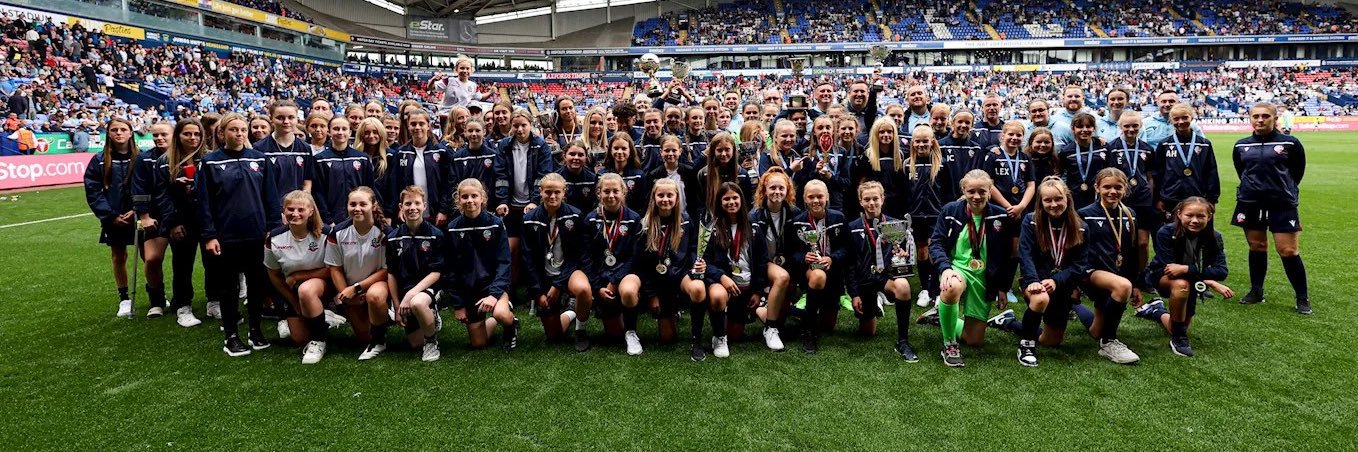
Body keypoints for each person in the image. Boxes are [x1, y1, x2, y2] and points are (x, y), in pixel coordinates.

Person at [196, 113, 281, 356]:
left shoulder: (260, 159)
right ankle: (231, 336)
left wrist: (272, 230)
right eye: (234, 130)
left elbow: (271, 198)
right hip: (226, 237)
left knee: (257, 285)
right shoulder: (210, 162)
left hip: (256, 235)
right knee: (229, 288)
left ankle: (255, 331)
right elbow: (203, 203)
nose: (240, 134)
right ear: (222, 133)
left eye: (243, 129)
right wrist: (209, 235)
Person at [928, 170, 1012, 367]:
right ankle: (949, 345)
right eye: (971, 191)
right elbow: (937, 243)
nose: (976, 196)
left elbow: (1007, 256)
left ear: (990, 191)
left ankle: (940, 315)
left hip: (984, 277)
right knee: (952, 286)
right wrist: (945, 268)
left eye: (982, 191)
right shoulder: (951, 211)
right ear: (963, 191)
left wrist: (1002, 287)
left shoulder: (1000, 216)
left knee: (974, 340)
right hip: (958, 269)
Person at [1232, 103, 1310, 314]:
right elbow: (1242, 171)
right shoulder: (1241, 145)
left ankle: (1302, 298)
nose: (1260, 120)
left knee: (1288, 250)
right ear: (1250, 119)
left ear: (1275, 119)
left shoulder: (1291, 143)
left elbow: (1297, 172)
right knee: (1257, 246)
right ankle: (1256, 291)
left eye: (1265, 116)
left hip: (1282, 203)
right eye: (1255, 116)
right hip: (1250, 202)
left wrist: (1283, 189)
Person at [1003, 177, 1089, 367]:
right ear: (1040, 202)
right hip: (1034, 280)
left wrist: (1057, 280)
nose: (1053, 204)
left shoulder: (1081, 226)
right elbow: (1025, 254)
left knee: (1052, 341)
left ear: (1068, 198)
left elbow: (1080, 264)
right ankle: (1026, 345)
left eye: (1058, 199)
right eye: (1047, 200)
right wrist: (1033, 279)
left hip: (1061, 283)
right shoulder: (1031, 221)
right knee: (1040, 298)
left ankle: (1008, 322)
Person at [1136, 197, 1232, 357]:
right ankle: (1179, 339)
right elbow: (1170, 269)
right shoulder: (1166, 232)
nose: (1195, 220)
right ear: (1179, 214)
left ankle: (1156, 310)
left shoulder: (1215, 237)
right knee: (1181, 284)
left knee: (1177, 325)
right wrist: (1209, 280)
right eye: (1190, 215)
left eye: (1201, 216)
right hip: (1162, 277)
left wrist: (1187, 268)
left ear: (1209, 216)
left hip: (1192, 279)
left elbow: (1222, 271)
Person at [631, 178, 707, 361]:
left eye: (669, 195)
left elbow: (692, 250)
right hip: (657, 281)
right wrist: (650, 295)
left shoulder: (686, 220)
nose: (665, 199)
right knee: (667, 339)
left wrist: (695, 267)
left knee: (698, 289)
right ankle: (670, 311)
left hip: (680, 276)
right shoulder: (645, 224)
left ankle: (696, 340)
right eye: (661, 195)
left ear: (677, 198)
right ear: (654, 198)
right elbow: (641, 264)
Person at [1076, 167, 1143, 364]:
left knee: (1096, 331)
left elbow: (1131, 251)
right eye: (1107, 187)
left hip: (1117, 273)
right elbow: (1078, 250)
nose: (1112, 192)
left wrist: (1137, 282)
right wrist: (1074, 283)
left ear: (1125, 189)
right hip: (1092, 272)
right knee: (1122, 286)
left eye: (1118, 187)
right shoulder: (1085, 214)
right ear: (1096, 187)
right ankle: (1109, 343)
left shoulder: (1130, 214)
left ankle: (1077, 307)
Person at [522, 173, 595, 351]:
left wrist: (557, 284)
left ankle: (580, 330)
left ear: (564, 192)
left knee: (584, 289)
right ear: (540, 192)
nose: (552, 196)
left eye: (557, 192)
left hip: (568, 272)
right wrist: (538, 292)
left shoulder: (575, 216)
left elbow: (577, 255)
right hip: (544, 275)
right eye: (548, 192)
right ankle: (571, 313)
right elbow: (528, 259)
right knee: (554, 336)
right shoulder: (529, 219)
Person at [444, 179, 520, 350]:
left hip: (494, 286)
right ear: (459, 200)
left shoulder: (496, 223)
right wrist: (458, 304)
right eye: (465, 197)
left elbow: (504, 262)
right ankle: (491, 319)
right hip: (470, 291)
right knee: (479, 343)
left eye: (474, 196)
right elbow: (451, 269)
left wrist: (494, 294)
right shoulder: (452, 228)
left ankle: (510, 324)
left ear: (482, 198)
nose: (469, 200)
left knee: (501, 313)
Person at [846, 181, 918, 361]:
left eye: (875, 199)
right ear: (860, 201)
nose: (872, 203)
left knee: (903, 286)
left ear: (882, 199)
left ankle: (903, 341)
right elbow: (850, 264)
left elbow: (902, 253)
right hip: (864, 280)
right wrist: (854, 294)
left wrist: (902, 254)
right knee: (867, 332)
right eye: (867, 199)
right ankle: (873, 305)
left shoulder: (895, 225)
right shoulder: (852, 227)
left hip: (886, 277)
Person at [263, 190, 333, 364]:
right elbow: (274, 275)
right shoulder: (274, 238)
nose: (295, 214)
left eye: (301, 209)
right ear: (283, 211)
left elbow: (334, 269)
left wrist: (299, 276)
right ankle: (322, 317)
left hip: (325, 286)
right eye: (290, 209)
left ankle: (319, 340)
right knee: (299, 339)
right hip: (294, 292)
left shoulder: (326, 234)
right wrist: (293, 302)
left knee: (306, 290)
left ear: (311, 211)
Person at [701, 182, 768, 356]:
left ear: (741, 200)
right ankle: (719, 335)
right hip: (725, 284)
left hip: (746, 286)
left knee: (736, 335)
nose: (731, 202)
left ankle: (759, 311)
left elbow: (761, 262)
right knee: (717, 296)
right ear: (719, 203)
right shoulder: (712, 229)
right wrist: (722, 277)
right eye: (726, 199)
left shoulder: (754, 227)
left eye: (735, 198)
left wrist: (758, 291)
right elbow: (705, 261)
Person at [325, 187, 391, 361]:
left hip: (375, 286)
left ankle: (380, 336)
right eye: (352, 204)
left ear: (373, 205)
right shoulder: (337, 233)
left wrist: (357, 288)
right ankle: (383, 317)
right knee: (363, 337)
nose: (357, 208)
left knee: (376, 296)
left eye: (363, 204)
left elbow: (386, 270)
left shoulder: (386, 233)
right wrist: (345, 294)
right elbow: (335, 268)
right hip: (350, 289)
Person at [155, 119, 208, 327]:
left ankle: (213, 301)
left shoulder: (209, 157)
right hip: (181, 221)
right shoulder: (165, 161)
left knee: (212, 262)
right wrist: (174, 222)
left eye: (196, 134)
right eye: (188, 134)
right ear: (178, 135)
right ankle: (183, 306)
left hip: (205, 219)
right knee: (183, 263)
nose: (193, 138)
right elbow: (161, 196)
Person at [384, 186, 447, 361]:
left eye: (417, 203)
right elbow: (392, 273)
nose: (413, 207)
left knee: (418, 303)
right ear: (400, 207)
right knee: (414, 343)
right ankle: (430, 318)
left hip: (429, 289)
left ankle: (431, 342)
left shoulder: (436, 235)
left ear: (424, 206)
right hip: (405, 292)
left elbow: (436, 272)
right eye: (408, 203)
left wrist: (411, 295)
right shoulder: (393, 238)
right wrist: (396, 306)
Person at [83, 118, 138, 318]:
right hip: (113, 218)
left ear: (131, 132)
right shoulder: (98, 160)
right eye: (114, 129)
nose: (119, 133)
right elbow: (93, 191)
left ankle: (155, 295)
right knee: (118, 256)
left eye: (123, 129)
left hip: (138, 215)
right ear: (108, 133)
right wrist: (110, 215)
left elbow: (148, 186)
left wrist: (137, 209)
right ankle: (124, 298)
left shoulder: (140, 157)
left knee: (147, 256)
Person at [584, 174, 643, 353]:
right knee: (613, 335)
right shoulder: (590, 219)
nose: (611, 195)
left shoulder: (633, 219)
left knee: (628, 291)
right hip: (601, 278)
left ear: (624, 192)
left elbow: (634, 257)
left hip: (625, 275)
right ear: (598, 193)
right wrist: (596, 286)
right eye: (606, 191)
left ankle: (632, 332)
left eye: (616, 191)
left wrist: (615, 279)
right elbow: (586, 257)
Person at [789, 180, 848, 353]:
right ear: (805, 199)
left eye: (820, 196)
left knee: (828, 325)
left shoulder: (838, 217)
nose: (816, 200)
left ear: (827, 197)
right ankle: (809, 332)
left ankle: (795, 313)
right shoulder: (797, 221)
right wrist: (803, 257)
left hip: (834, 273)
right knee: (818, 275)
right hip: (811, 272)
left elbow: (847, 248)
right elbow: (791, 250)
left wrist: (832, 258)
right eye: (811, 197)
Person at [905, 126, 954, 309]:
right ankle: (925, 289)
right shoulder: (906, 164)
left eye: (925, 140)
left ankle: (935, 290)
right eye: (917, 141)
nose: (921, 144)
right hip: (917, 215)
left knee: (935, 252)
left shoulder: (941, 164)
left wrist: (947, 213)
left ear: (932, 141)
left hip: (937, 215)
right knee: (922, 252)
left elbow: (949, 191)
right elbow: (906, 191)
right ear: (912, 143)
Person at [749, 170, 799, 339]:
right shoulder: (754, 215)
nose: (777, 192)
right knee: (782, 277)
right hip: (764, 263)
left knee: (781, 317)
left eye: (781, 188)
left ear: (787, 190)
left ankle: (763, 311)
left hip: (786, 263)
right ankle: (770, 329)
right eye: (772, 188)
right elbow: (753, 254)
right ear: (764, 190)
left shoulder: (795, 213)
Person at [131, 122, 173, 317]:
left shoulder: (183, 156)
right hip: (156, 216)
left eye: (163, 134)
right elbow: (139, 189)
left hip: (182, 215)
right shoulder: (144, 158)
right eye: (155, 135)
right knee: (152, 258)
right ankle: (157, 301)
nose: (159, 138)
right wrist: (144, 216)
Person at [1106, 111, 1157, 275]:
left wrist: (1150, 195)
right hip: (1120, 200)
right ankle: (1119, 273)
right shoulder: (1110, 148)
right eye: (1126, 126)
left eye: (1135, 125)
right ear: (1120, 126)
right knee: (1120, 239)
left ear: (1140, 126)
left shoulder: (1147, 149)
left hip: (1143, 201)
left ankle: (1142, 275)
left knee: (1142, 242)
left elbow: (1150, 176)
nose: (1130, 129)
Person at [1152, 103, 1220, 222]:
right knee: (1172, 234)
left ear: (1192, 117)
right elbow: (1158, 173)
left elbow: (1211, 172)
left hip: (1198, 198)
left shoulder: (1204, 144)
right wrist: (1158, 198)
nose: (1181, 122)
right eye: (1176, 119)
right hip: (1170, 198)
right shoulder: (1164, 144)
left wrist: (1212, 199)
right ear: (1171, 121)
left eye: (1185, 117)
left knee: (1197, 233)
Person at [385, 109, 453, 227]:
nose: (417, 127)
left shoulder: (442, 152)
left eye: (421, 124)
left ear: (428, 126)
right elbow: (395, 185)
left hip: (435, 213)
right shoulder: (400, 153)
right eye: (413, 124)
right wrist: (399, 208)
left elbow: (448, 184)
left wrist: (444, 210)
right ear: (408, 126)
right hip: (410, 213)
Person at [313, 117, 375, 227]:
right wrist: (327, 219)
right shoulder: (320, 159)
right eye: (336, 129)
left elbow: (369, 189)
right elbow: (318, 192)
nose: (340, 132)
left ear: (350, 132)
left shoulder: (362, 158)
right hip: (331, 221)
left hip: (359, 217)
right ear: (329, 131)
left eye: (344, 129)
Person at [255, 100, 313, 206]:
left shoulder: (305, 148)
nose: (286, 121)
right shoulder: (259, 148)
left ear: (297, 119)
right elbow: (258, 184)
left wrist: (302, 203)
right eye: (280, 118)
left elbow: (307, 181)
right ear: (271, 119)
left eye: (291, 117)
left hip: (297, 208)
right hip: (269, 208)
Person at [795, 116, 850, 213]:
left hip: (835, 203)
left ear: (833, 131)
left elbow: (846, 182)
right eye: (820, 128)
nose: (824, 131)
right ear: (814, 132)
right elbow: (802, 182)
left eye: (828, 127)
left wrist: (831, 177)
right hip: (813, 203)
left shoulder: (841, 152)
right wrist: (815, 172)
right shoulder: (806, 153)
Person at [641, 135, 701, 220]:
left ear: (680, 151)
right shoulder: (654, 175)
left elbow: (694, 199)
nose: (670, 154)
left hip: (686, 217)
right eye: (667, 150)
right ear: (661, 152)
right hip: (663, 217)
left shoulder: (689, 172)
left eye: (674, 150)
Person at [1058, 113, 1107, 209]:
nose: (1084, 130)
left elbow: (1109, 169)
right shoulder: (1066, 151)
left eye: (1088, 126)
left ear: (1094, 128)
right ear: (1073, 129)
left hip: (1099, 194)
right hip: (1075, 195)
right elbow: (1062, 173)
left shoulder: (1103, 147)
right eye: (1080, 127)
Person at [556, 141, 599, 211]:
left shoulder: (592, 179)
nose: (576, 158)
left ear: (586, 157)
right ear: (564, 156)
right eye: (572, 154)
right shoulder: (556, 179)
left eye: (580, 155)